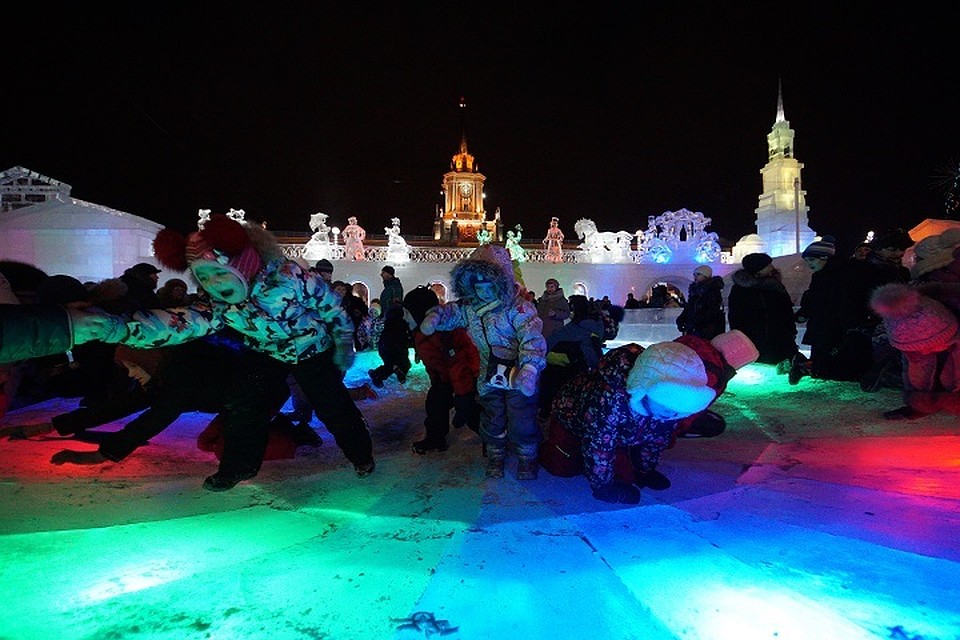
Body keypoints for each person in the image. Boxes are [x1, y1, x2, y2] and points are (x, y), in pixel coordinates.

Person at [62, 213, 376, 491]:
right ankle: (237, 467)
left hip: (310, 347)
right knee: (243, 403)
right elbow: (178, 323)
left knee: (331, 404)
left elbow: (331, 306)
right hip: (265, 351)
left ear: (242, 265)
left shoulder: (288, 276)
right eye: (205, 278)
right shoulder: (219, 305)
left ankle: (361, 454)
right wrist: (114, 327)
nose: (215, 285)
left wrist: (343, 343)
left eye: (219, 274)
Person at [544, 330, 758, 503]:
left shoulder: (667, 409)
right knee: (563, 466)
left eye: (679, 410)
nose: (673, 415)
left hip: (624, 429)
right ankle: (548, 448)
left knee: (626, 473)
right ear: (646, 390)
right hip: (572, 418)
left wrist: (644, 470)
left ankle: (620, 466)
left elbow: (656, 440)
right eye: (669, 406)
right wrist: (603, 487)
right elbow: (599, 445)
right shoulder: (610, 399)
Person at [420, 245, 546, 480]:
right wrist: (435, 317)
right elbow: (452, 313)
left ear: (502, 283)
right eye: (479, 287)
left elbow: (532, 337)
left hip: (519, 374)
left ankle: (527, 455)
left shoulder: (518, 308)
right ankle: (495, 453)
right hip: (490, 374)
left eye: (490, 287)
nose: (485, 293)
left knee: (521, 417)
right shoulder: (471, 309)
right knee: (492, 415)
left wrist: (529, 367)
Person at [403, 285, 481, 453]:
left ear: (420, 312)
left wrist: (463, 395)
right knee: (435, 406)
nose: (405, 318)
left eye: (407, 313)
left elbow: (459, 365)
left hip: (465, 380)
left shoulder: (444, 333)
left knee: (472, 413)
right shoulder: (421, 332)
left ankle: (494, 441)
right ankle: (435, 439)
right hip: (443, 380)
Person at [870, 283, 960, 420]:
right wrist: (919, 400)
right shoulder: (912, 343)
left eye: (924, 349)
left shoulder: (939, 324)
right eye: (912, 352)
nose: (920, 355)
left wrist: (950, 400)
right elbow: (912, 365)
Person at [794, 237, 875, 383]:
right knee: (824, 366)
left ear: (824, 258)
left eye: (812, 259)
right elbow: (815, 300)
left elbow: (847, 302)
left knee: (836, 366)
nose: (809, 264)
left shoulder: (844, 275)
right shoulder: (819, 276)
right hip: (823, 327)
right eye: (807, 260)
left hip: (837, 329)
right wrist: (804, 313)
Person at [728, 252, 804, 372]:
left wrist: (791, 331)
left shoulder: (776, 286)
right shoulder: (741, 289)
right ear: (758, 269)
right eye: (767, 265)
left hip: (779, 337)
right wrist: (739, 336)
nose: (771, 267)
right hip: (753, 337)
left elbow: (786, 311)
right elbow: (735, 315)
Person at [676, 264, 726, 340]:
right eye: (694, 274)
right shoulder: (695, 292)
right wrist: (681, 319)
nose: (695, 277)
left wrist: (694, 322)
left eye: (698, 274)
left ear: (706, 276)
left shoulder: (712, 291)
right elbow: (689, 307)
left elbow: (711, 311)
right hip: (695, 328)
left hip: (707, 330)